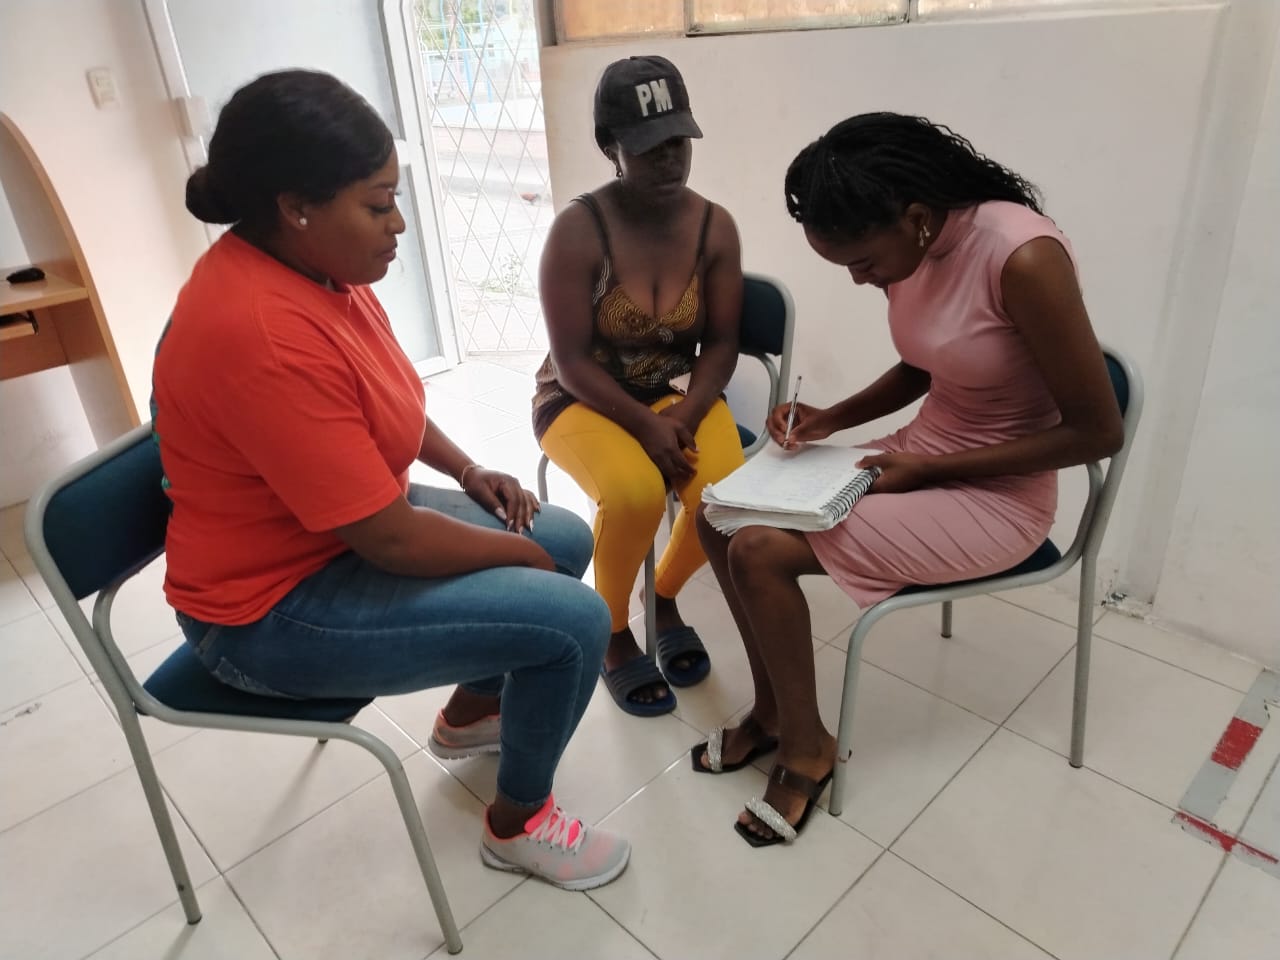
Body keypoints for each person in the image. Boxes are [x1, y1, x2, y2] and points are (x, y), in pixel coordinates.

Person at [150, 69, 629, 889]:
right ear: (296, 207)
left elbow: (382, 407)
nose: (399, 223)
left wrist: (469, 468)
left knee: (561, 537)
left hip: (334, 535)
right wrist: (514, 560)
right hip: (267, 611)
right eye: (378, 205)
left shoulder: (320, 270)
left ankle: (472, 712)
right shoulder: (258, 330)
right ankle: (518, 825)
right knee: (572, 619)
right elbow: (391, 540)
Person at [694, 113, 1123, 846]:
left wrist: (930, 469)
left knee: (759, 551)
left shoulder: (1023, 258)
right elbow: (928, 362)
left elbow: (1098, 432)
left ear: (917, 219)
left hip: (999, 495)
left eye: (863, 262)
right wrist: (831, 418)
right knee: (718, 514)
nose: (860, 279)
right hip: (917, 456)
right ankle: (772, 713)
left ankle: (808, 749)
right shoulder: (916, 240)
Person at [533, 55, 745, 717]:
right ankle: (611, 629)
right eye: (649, 146)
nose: (669, 159)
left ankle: (663, 597)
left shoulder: (714, 226)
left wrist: (685, 413)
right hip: (581, 396)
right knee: (633, 494)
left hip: (676, 392)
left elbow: (724, 343)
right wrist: (647, 425)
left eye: (678, 140)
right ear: (610, 147)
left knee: (724, 497)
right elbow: (571, 360)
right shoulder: (578, 230)